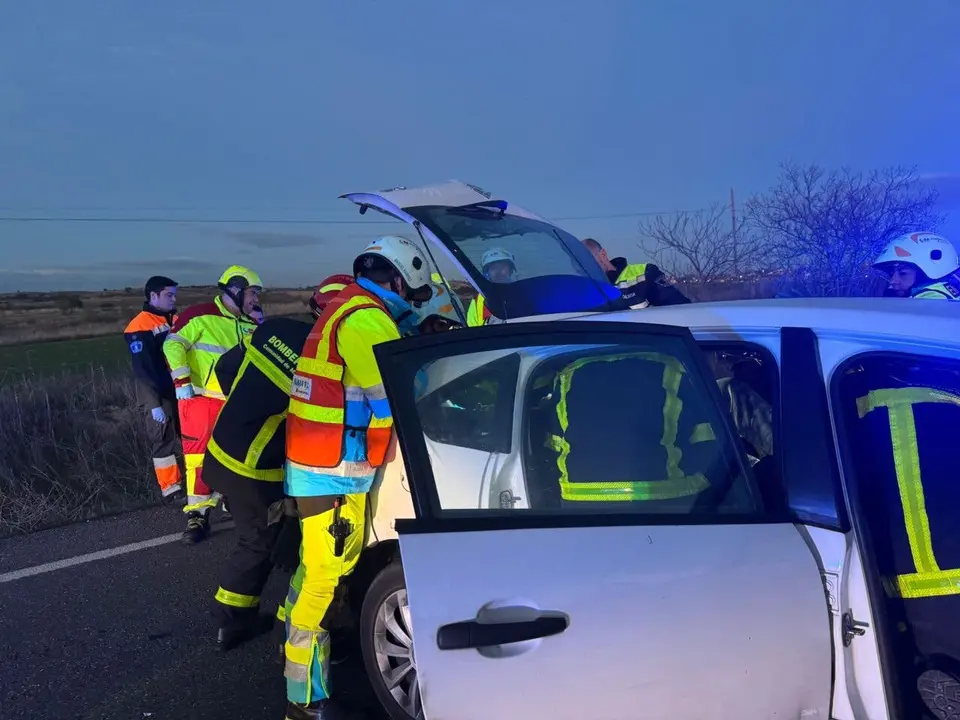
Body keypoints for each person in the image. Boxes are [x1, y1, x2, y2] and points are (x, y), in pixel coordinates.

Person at [282, 235, 448, 719]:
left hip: (320, 464)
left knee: (313, 569)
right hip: (334, 470)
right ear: (398, 280)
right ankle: (305, 699)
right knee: (324, 574)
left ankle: (289, 643)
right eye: (410, 295)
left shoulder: (345, 309)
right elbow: (396, 398)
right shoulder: (366, 321)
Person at [202, 277, 346, 652]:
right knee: (275, 543)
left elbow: (225, 367)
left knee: (257, 539)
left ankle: (237, 620)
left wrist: (249, 405)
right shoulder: (323, 361)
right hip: (254, 470)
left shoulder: (274, 330)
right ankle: (278, 629)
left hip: (219, 451)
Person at [163, 265, 264, 544]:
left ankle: (233, 503)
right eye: (252, 293)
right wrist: (182, 381)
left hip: (236, 403)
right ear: (235, 289)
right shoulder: (199, 316)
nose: (255, 299)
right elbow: (172, 345)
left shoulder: (249, 324)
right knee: (198, 460)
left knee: (237, 456)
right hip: (200, 400)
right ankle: (197, 516)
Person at [123, 275, 183, 502]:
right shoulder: (139, 326)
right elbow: (143, 371)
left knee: (190, 438)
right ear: (153, 296)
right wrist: (153, 404)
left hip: (181, 389)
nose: (173, 299)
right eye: (169, 295)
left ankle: (200, 484)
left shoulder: (175, 319)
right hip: (158, 394)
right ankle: (171, 489)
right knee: (163, 440)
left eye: (174, 294)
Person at [581, 237, 691, 306]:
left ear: (603, 254)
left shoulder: (646, 273)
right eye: (579, 265)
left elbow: (679, 309)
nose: (585, 268)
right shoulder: (586, 291)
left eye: (588, 260)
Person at [872, 232, 960, 300]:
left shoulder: (933, 299)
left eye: (903, 273)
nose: (893, 281)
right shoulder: (948, 295)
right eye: (891, 274)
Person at [466, 247, 517, 326]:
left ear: (510, 270)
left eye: (502, 267)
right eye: (493, 268)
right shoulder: (478, 300)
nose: (498, 272)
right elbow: (472, 328)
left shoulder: (522, 292)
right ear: (487, 273)